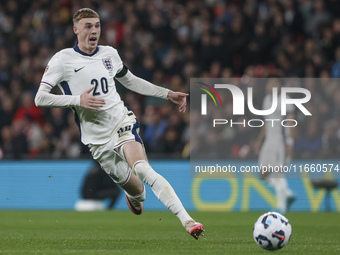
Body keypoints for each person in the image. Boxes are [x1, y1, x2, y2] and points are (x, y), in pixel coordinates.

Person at [35, 8, 204, 239]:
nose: (94, 30)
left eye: (97, 25)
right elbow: (40, 97)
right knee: (139, 192)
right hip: (96, 140)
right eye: (88, 26)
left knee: (143, 168)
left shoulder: (109, 54)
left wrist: (166, 94)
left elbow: (131, 81)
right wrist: (77, 100)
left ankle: (188, 221)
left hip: (121, 122)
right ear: (76, 30)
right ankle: (133, 196)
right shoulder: (62, 60)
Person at [255, 77, 296, 214]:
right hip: (269, 140)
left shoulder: (285, 100)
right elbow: (266, 123)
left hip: (280, 139)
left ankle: (281, 206)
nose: (272, 85)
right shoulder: (267, 100)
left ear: (280, 86)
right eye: (269, 83)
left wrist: (290, 142)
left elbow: (290, 121)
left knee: (278, 173)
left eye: (275, 83)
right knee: (263, 173)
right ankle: (287, 193)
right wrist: (259, 141)